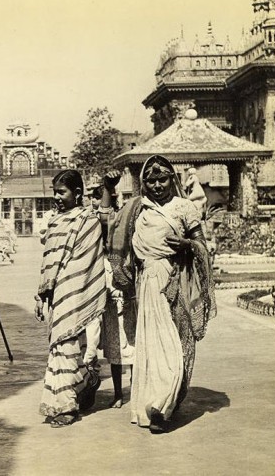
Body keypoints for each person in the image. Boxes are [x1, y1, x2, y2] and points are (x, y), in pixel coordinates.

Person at [106, 155, 216, 433]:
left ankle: (167, 404)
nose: (157, 185)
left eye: (163, 179)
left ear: (173, 179)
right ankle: (155, 405)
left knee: (175, 343)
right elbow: (116, 234)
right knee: (153, 346)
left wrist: (186, 245)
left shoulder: (184, 208)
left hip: (176, 281)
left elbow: (202, 246)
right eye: (151, 180)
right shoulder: (138, 211)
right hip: (147, 285)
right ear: (143, 183)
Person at [34, 170, 107, 428]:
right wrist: (42, 295)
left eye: (61, 192)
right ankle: (86, 381)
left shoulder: (88, 221)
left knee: (65, 343)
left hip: (75, 288)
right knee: (59, 346)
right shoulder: (55, 222)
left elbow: (88, 259)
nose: (56, 197)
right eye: (54, 191)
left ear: (77, 194)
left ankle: (67, 406)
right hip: (56, 293)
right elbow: (49, 260)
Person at [99, 170, 136, 409]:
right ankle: (117, 394)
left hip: (131, 292)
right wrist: (107, 186)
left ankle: (136, 389)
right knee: (115, 349)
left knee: (134, 346)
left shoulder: (134, 226)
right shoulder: (110, 225)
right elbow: (104, 216)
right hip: (112, 295)